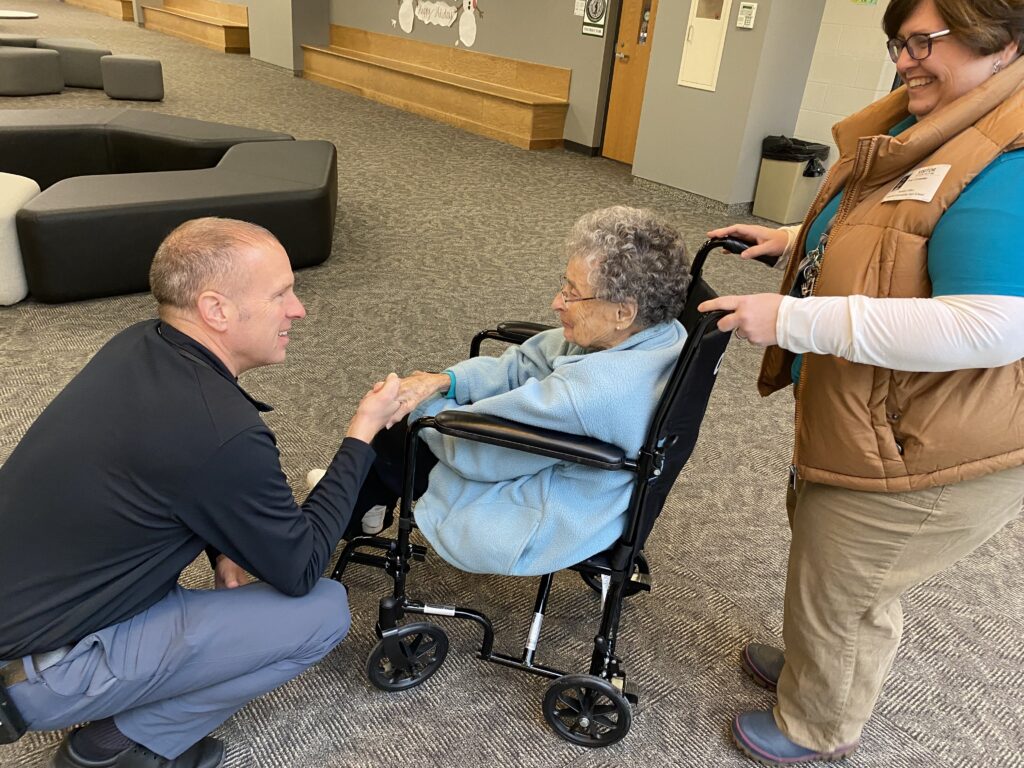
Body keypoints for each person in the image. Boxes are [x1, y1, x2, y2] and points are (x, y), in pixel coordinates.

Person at [699, 0, 1024, 764]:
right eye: (897, 42)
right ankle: (819, 663)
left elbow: (991, 328)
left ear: (1002, 42)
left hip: (932, 436)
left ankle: (821, 720)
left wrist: (795, 322)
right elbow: (891, 233)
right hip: (878, 408)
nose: (903, 59)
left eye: (922, 42)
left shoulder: (1008, 162)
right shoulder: (938, 121)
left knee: (849, 579)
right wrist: (791, 241)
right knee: (823, 549)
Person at [0, 218, 402, 768]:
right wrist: (361, 435)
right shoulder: (220, 432)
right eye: (281, 293)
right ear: (215, 310)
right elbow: (302, 565)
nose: (298, 309)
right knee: (323, 611)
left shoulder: (140, 344)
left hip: (26, 608)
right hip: (34, 674)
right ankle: (112, 749)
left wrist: (223, 543)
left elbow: (173, 475)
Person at [328, 205, 691, 575]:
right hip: (584, 475)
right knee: (411, 416)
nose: (557, 302)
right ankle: (362, 500)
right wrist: (444, 380)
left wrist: (419, 406)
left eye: (573, 293)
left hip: (553, 511)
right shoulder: (656, 335)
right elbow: (523, 365)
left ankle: (327, 527)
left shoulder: (591, 394)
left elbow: (481, 453)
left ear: (622, 312)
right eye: (564, 284)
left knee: (399, 427)